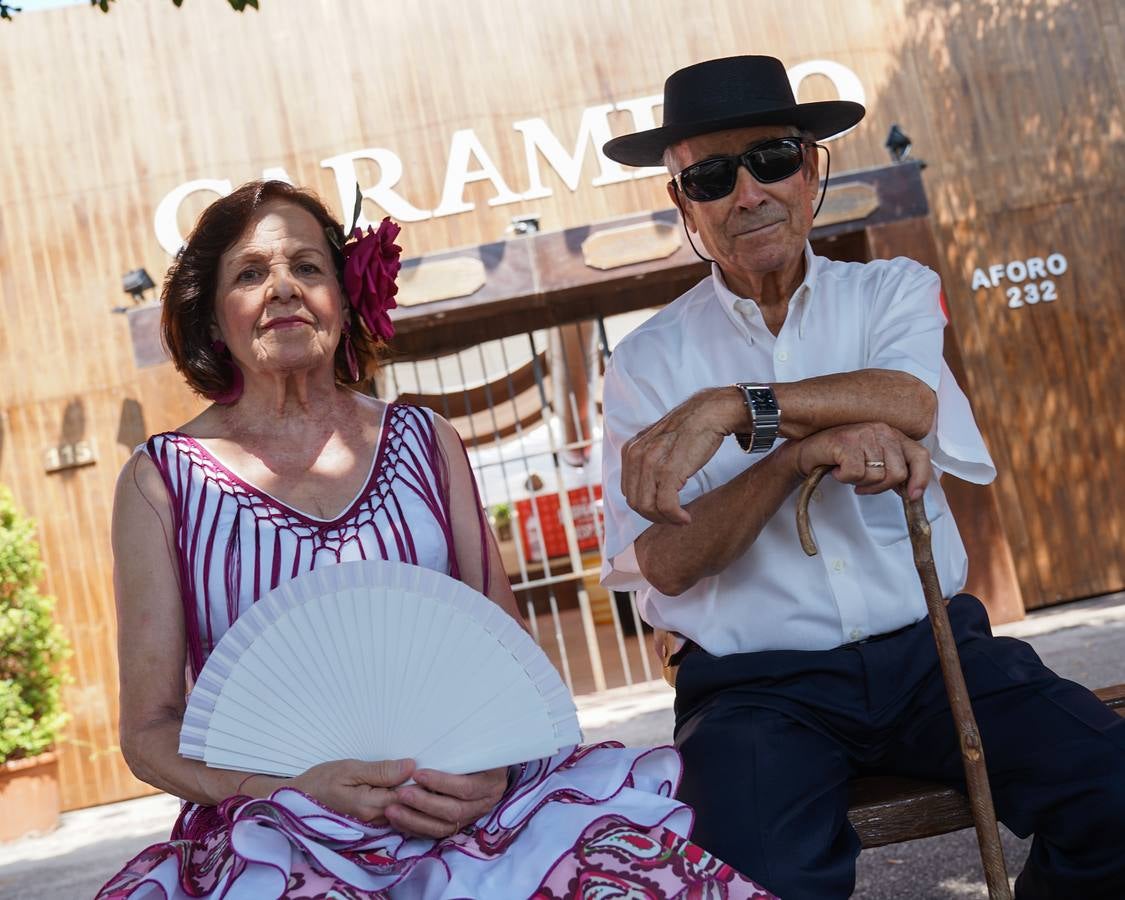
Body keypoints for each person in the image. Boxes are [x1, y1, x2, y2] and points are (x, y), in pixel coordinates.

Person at [96, 180, 777, 899]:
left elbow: (505, 653)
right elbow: (149, 731)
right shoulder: (162, 482)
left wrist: (494, 770)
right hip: (274, 828)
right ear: (211, 315)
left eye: (307, 267)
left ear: (345, 292)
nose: (284, 290)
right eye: (251, 273)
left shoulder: (424, 442)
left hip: (467, 806)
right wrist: (289, 790)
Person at [598, 56, 1125, 900]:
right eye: (709, 174)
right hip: (754, 692)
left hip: (933, 651)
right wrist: (793, 455)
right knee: (750, 881)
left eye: (771, 158)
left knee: (1114, 791)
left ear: (811, 168)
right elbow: (661, 562)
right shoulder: (645, 364)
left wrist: (736, 406)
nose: (747, 193)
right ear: (681, 201)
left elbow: (907, 400)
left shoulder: (891, 290)